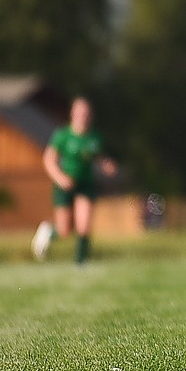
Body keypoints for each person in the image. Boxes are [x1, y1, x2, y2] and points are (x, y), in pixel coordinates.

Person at [32, 97, 116, 264]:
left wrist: (107, 164)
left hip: (85, 184)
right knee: (64, 231)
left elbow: (98, 157)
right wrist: (60, 177)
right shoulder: (62, 135)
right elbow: (48, 160)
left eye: (86, 113)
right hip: (64, 185)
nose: (83, 116)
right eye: (80, 112)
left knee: (83, 225)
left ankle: (81, 263)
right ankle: (49, 232)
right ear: (73, 114)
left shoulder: (94, 137)